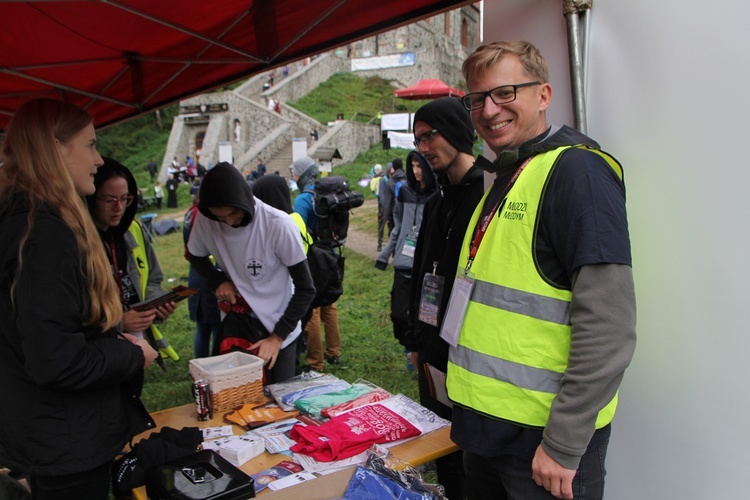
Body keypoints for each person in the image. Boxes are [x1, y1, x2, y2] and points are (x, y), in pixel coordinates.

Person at [448, 40, 637, 500]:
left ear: (544, 95)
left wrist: (563, 442)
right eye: (477, 99)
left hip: (542, 445)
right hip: (487, 430)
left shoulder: (578, 173)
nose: (489, 109)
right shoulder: (511, 171)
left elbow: (610, 326)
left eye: (506, 92)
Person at [0, 98, 157, 500]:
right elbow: (57, 360)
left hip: (51, 429)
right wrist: (132, 355)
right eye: (89, 145)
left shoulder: (26, 218)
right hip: (64, 436)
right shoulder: (43, 233)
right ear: (55, 149)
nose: (98, 158)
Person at [406, 96, 483, 500]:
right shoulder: (437, 202)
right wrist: (418, 343)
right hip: (435, 356)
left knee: (475, 462)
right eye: (417, 140)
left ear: (454, 130)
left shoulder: (491, 194)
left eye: (428, 136)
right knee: (445, 453)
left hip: (475, 358)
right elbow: (423, 276)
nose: (422, 148)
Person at [187, 162, 315, 383]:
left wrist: (277, 338)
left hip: (280, 324)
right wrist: (217, 280)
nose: (228, 221)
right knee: (239, 397)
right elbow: (195, 255)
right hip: (238, 324)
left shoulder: (278, 225)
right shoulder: (206, 220)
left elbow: (306, 289)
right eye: (220, 216)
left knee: (279, 399)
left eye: (233, 213)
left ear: (244, 200)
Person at [86, 157, 180, 367]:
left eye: (125, 198)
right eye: (109, 200)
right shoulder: (79, 241)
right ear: (91, 198)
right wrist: (119, 324)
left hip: (138, 342)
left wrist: (156, 305)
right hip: (101, 349)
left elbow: (153, 278)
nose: (119, 207)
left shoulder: (133, 229)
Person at [375, 151, 436, 366]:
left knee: (424, 317)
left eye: (420, 166)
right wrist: (385, 254)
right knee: (398, 315)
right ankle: (410, 346)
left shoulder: (436, 194)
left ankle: (418, 353)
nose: (416, 171)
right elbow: (398, 226)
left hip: (426, 269)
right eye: (413, 166)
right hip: (403, 264)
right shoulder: (404, 192)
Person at [291, 156, 342, 371]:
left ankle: (315, 363)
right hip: (331, 253)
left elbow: (297, 228)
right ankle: (334, 353)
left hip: (313, 257)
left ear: (302, 174)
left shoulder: (303, 199)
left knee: (311, 309)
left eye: (294, 173)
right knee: (329, 305)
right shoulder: (329, 192)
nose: (293, 177)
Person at [183, 195, 221, 358]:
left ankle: (201, 364)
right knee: (215, 327)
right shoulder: (203, 215)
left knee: (203, 327)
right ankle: (214, 365)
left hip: (196, 271)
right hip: (209, 272)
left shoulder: (190, 212)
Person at [381, 158, 405, 239]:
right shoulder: (408, 179)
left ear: (393, 167)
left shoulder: (390, 182)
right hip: (406, 213)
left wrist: (385, 217)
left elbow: (387, 202)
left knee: (394, 236)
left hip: (394, 213)